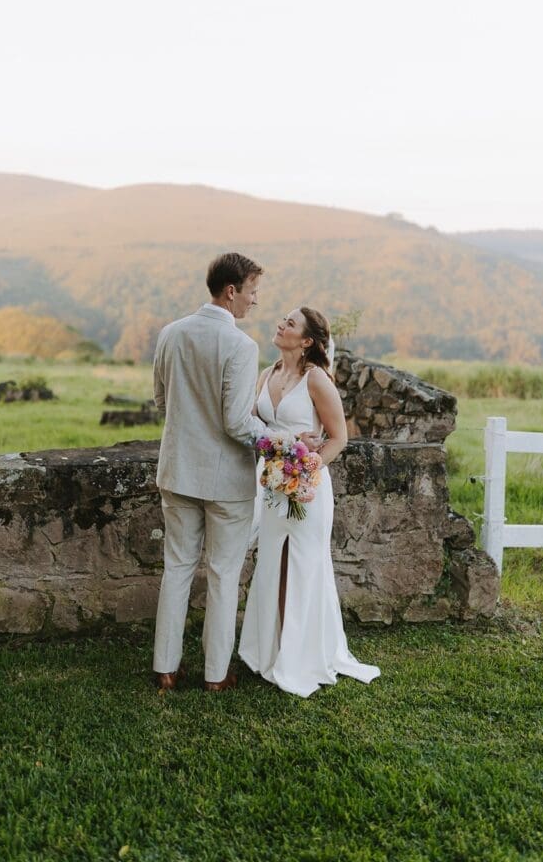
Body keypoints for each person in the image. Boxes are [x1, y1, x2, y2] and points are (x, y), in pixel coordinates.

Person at [151, 253, 319, 692]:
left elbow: (161, 401)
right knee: (224, 575)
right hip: (225, 482)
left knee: (177, 568)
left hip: (176, 470)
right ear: (232, 291)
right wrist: (285, 442)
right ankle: (215, 675)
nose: (255, 301)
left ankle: (166, 669)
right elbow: (236, 422)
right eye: (252, 291)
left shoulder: (170, 334)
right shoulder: (241, 347)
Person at [239, 306, 381, 697]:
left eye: (290, 323)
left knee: (301, 565)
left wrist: (308, 463)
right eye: (282, 318)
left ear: (306, 342)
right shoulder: (267, 374)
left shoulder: (317, 380)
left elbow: (339, 438)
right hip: (271, 484)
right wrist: (274, 445)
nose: (280, 324)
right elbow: (255, 427)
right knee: (271, 563)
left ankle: (300, 656)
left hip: (306, 487)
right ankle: (269, 650)